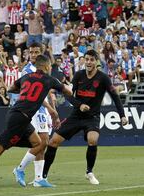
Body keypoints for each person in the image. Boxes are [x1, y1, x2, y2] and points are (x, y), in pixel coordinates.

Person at [0, 55, 72, 191]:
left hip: (18, 115)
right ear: (47, 66)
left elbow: (11, 89)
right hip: (20, 118)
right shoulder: (49, 79)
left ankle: (19, 166)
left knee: (40, 143)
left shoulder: (26, 77)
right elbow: (68, 91)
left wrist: (25, 90)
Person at [43, 50, 128, 185]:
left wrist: (122, 115)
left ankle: (89, 172)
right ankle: (43, 176)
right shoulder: (79, 75)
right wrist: (80, 105)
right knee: (53, 141)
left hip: (92, 117)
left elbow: (115, 97)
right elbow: (69, 95)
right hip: (76, 115)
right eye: (86, 59)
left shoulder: (103, 78)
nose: (88, 62)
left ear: (96, 62)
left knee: (92, 140)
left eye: (91, 60)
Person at [13, 43, 61, 188]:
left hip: (43, 109)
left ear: (41, 53)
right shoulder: (28, 70)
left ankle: (38, 178)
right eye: (31, 52)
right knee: (43, 141)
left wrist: (52, 108)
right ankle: (19, 169)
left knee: (41, 145)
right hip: (34, 109)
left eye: (36, 52)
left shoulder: (43, 68)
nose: (33, 55)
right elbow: (34, 94)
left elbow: (46, 92)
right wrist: (50, 109)